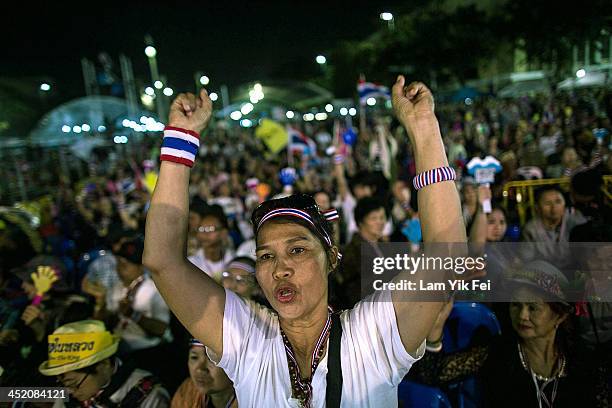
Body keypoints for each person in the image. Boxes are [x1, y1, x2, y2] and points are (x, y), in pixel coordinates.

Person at [143, 78, 466, 406]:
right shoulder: (248, 340)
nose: (280, 268)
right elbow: (163, 262)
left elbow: (448, 256)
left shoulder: (374, 337)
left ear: (332, 258)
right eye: (266, 256)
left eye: (297, 250)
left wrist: (423, 126)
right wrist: (179, 141)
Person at [409, 261, 610, 408]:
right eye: (516, 305)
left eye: (533, 308)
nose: (522, 315)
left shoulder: (583, 363)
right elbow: (432, 374)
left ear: (559, 316)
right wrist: (435, 330)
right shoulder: (498, 353)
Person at [39, 320, 170, 407]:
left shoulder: (146, 393)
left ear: (104, 364)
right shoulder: (71, 390)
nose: (68, 391)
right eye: (63, 384)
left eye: (73, 384)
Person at [337, 197, 387, 309]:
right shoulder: (352, 251)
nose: (380, 222)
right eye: (374, 218)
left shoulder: (385, 246)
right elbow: (352, 290)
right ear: (360, 222)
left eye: (382, 217)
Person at [171, 339, 237, 408]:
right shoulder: (187, 392)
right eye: (194, 357)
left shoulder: (247, 400)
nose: (200, 369)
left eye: (211, 359)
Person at [188, 204, 235, 282]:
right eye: (202, 229)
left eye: (210, 229)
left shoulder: (233, 261)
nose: (205, 234)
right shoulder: (191, 264)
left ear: (223, 233)